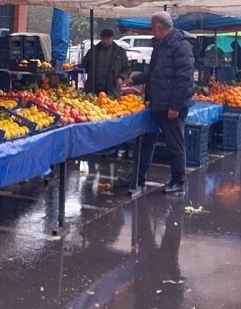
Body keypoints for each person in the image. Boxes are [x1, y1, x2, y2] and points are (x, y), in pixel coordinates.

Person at [127, 12, 195, 196]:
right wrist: (133, 81)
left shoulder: (181, 46)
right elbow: (153, 73)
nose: (151, 31)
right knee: (146, 139)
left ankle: (179, 181)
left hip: (171, 106)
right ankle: (138, 176)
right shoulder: (161, 45)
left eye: (152, 27)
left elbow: (184, 79)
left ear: (159, 27)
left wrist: (175, 105)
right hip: (157, 103)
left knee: (175, 144)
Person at [82, 28, 130, 98]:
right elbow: (84, 65)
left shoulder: (119, 52)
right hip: (93, 89)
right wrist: (75, 67)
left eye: (108, 39)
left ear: (112, 38)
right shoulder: (93, 51)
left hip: (112, 89)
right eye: (103, 39)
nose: (105, 41)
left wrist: (121, 77)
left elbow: (127, 69)